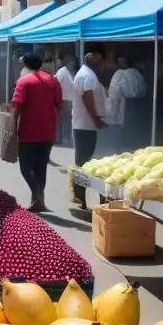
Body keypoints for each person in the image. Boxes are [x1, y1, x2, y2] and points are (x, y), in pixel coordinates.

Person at [12, 52, 62, 212]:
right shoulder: (53, 80)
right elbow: (59, 104)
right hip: (48, 131)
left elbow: (16, 107)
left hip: (28, 131)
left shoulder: (24, 81)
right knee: (41, 166)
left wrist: (12, 127)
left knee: (26, 167)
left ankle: (38, 194)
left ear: (26, 65)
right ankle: (38, 201)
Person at [71, 48, 107, 210]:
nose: (101, 61)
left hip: (82, 124)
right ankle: (81, 195)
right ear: (93, 55)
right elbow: (88, 98)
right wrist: (96, 118)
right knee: (84, 161)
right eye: (99, 56)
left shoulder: (84, 73)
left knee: (82, 160)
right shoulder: (89, 76)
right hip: (86, 125)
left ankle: (79, 195)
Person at [105, 55, 147, 126]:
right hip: (140, 121)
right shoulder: (139, 75)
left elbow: (113, 101)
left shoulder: (120, 75)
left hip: (120, 123)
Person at [55, 54, 76, 146]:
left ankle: (67, 139)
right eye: (70, 63)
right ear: (66, 63)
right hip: (63, 99)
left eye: (73, 63)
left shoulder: (72, 72)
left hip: (70, 100)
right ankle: (59, 138)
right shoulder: (61, 72)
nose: (72, 64)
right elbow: (57, 85)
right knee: (61, 120)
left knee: (68, 121)